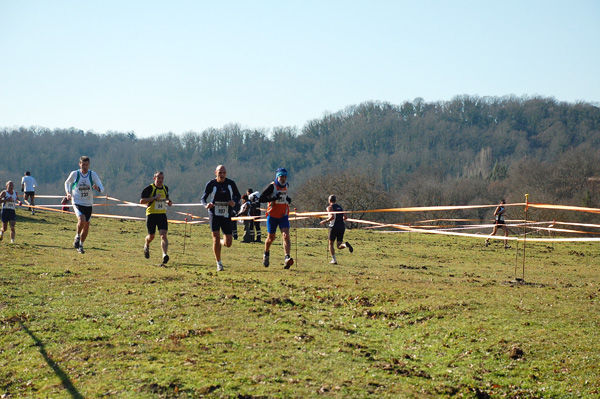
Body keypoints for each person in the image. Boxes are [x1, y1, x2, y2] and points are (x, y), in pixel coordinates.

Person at [201, 165, 241, 271]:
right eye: (220, 173)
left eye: (224, 173)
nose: (222, 175)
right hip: (214, 213)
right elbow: (203, 198)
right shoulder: (211, 184)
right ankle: (219, 263)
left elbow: (238, 196)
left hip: (226, 214)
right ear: (216, 173)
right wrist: (206, 205)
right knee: (215, 238)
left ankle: (219, 241)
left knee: (228, 243)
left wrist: (234, 202)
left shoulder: (230, 183)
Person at [64, 156, 104, 254]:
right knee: (81, 219)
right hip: (77, 201)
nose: (85, 167)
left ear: (89, 165)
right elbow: (67, 183)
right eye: (83, 164)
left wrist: (97, 188)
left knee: (86, 226)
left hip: (88, 203)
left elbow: (102, 187)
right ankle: (77, 236)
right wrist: (68, 193)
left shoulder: (92, 175)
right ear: (79, 164)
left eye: (86, 165)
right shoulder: (75, 174)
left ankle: (81, 245)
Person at [259, 168, 294, 269]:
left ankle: (287, 258)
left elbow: (285, 197)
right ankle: (266, 254)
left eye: (285, 177)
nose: (283, 179)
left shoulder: (286, 185)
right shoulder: (272, 186)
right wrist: (273, 198)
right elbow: (261, 198)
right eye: (281, 176)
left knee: (286, 236)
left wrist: (288, 199)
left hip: (283, 216)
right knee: (271, 238)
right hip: (272, 216)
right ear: (277, 177)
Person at [140, 171, 173, 264]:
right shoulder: (149, 188)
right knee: (151, 236)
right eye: (158, 178)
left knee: (163, 235)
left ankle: (164, 255)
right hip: (151, 214)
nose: (160, 180)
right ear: (155, 178)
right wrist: (154, 198)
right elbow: (141, 201)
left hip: (162, 215)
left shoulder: (165, 188)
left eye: (162, 178)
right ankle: (146, 245)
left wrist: (169, 202)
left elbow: (166, 199)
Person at [319, 195, 353, 264]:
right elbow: (345, 217)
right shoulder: (340, 207)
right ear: (335, 200)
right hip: (342, 227)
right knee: (339, 245)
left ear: (329, 200)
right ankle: (345, 245)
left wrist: (325, 221)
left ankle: (334, 260)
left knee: (331, 243)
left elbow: (332, 217)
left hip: (334, 227)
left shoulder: (330, 207)